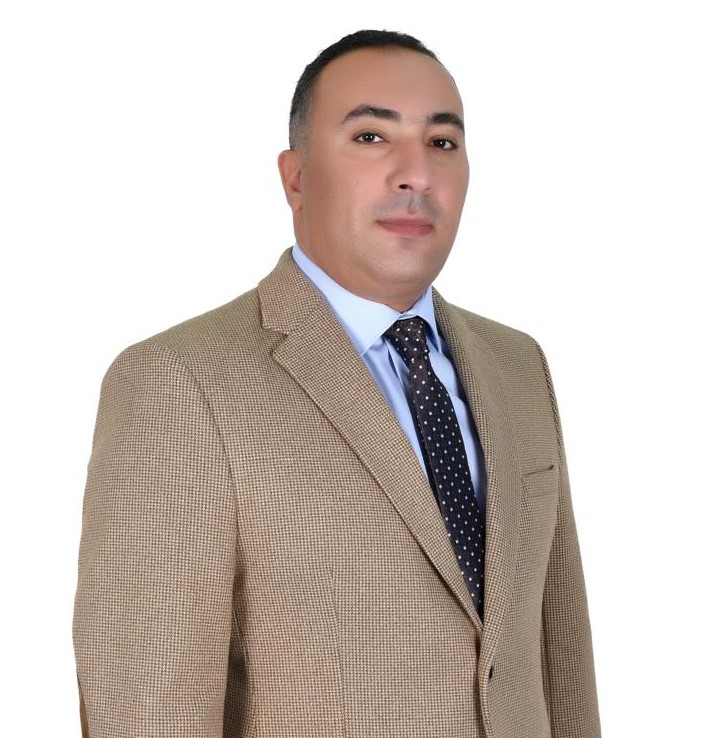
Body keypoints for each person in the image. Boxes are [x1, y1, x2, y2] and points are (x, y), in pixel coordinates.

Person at [73, 29, 600, 738]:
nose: (416, 174)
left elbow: (559, 655)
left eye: (442, 142)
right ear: (295, 178)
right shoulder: (180, 384)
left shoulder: (517, 367)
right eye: (371, 138)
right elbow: (148, 710)